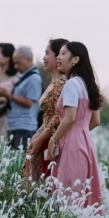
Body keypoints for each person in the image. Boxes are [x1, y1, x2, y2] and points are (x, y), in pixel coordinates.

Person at [48, 41, 104, 211]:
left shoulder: (72, 84)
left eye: (63, 54)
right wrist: (80, 132)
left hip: (72, 144)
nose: (58, 57)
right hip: (85, 143)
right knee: (81, 194)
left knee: (67, 193)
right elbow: (95, 121)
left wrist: (53, 139)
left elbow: (69, 118)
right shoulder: (87, 85)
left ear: (76, 59)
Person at [24, 38, 69, 182]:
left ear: (58, 57)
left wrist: (41, 138)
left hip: (52, 139)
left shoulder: (62, 83)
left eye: (47, 53)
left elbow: (58, 117)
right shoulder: (54, 82)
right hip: (45, 134)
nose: (43, 57)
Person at [0, 46, 42, 151]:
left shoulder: (34, 78)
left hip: (24, 127)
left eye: (18, 63)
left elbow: (29, 102)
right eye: (14, 63)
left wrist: (9, 96)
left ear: (28, 59)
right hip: (15, 126)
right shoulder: (24, 77)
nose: (15, 66)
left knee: (20, 162)